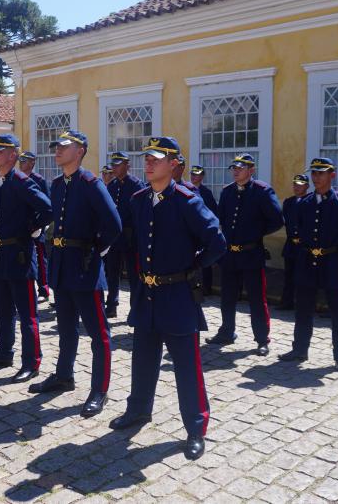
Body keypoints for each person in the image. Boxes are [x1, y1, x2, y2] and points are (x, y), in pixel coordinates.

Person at [110, 136, 226, 460]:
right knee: (142, 358)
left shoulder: (188, 201)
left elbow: (217, 242)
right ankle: (138, 411)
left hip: (177, 294)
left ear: (174, 163)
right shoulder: (139, 199)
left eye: (156, 158)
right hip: (147, 294)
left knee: (186, 367)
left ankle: (195, 427)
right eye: (146, 157)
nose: (149, 162)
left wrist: (193, 268)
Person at [29, 130, 121, 417]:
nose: (57, 150)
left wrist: (96, 251)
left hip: (84, 267)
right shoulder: (57, 185)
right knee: (66, 327)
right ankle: (64, 375)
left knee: (98, 333)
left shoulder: (91, 183)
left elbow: (113, 225)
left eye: (63, 146)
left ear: (80, 150)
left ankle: (99, 389)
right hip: (62, 266)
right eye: (56, 146)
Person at [0, 134, 52, 383]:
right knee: (3, 310)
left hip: (19, 254)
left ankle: (32, 361)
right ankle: (3, 352)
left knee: (27, 313)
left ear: (12, 155)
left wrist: (31, 228)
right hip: (0, 255)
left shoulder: (21, 181)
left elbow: (47, 209)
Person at [279, 158, 338, 374]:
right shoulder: (304, 203)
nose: (317, 177)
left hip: (333, 263)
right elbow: (296, 230)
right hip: (308, 262)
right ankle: (299, 349)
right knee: (303, 310)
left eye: (321, 173)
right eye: (314, 173)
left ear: (332, 175)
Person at [209, 153, 283, 356]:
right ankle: (227, 331)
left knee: (257, 299)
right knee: (227, 297)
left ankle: (261, 339)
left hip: (251, 253)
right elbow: (221, 218)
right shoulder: (227, 192)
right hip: (230, 254)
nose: (236, 171)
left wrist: (256, 233)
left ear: (251, 170)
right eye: (234, 168)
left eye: (240, 168)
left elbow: (276, 219)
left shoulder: (262, 191)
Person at [103, 151, 144, 318]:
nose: (114, 167)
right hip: (115, 237)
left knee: (134, 275)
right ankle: (112, 304)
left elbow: (141, 213)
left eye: (118, 164)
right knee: (112, 272)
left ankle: (135, 308)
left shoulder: (137, 185)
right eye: (113, 164)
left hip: (131, 237)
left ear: (128, 165)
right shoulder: (111, 186)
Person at [18, 151, 51, 300]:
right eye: (20, 160)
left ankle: (43, 289)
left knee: (40, 258)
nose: (21, 163)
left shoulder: (39, 180)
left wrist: (40, 226)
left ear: (32, 163)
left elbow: (47, 204)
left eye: (24, 160)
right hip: (23, 226)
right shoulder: (18, 179)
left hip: (37, 226)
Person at [278, 174, 310, 310]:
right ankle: (287, 302)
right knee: (289, 275)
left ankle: (304, 304)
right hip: (291, 244)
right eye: (295, 184)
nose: (297, 187)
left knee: (304, 276)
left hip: (305, 245)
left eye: (300, 184)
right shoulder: (289, 202)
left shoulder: (310, 201)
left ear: (307, 186)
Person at [189, 165, 218, 295]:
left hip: (202, 230)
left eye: (197, 175)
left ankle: (207, 287)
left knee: (205, 260)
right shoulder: (186, 189)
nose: (194, 177)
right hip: (191, 230)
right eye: (193, 174)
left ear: (202, 177)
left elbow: (213, 211)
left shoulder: (206, 193)